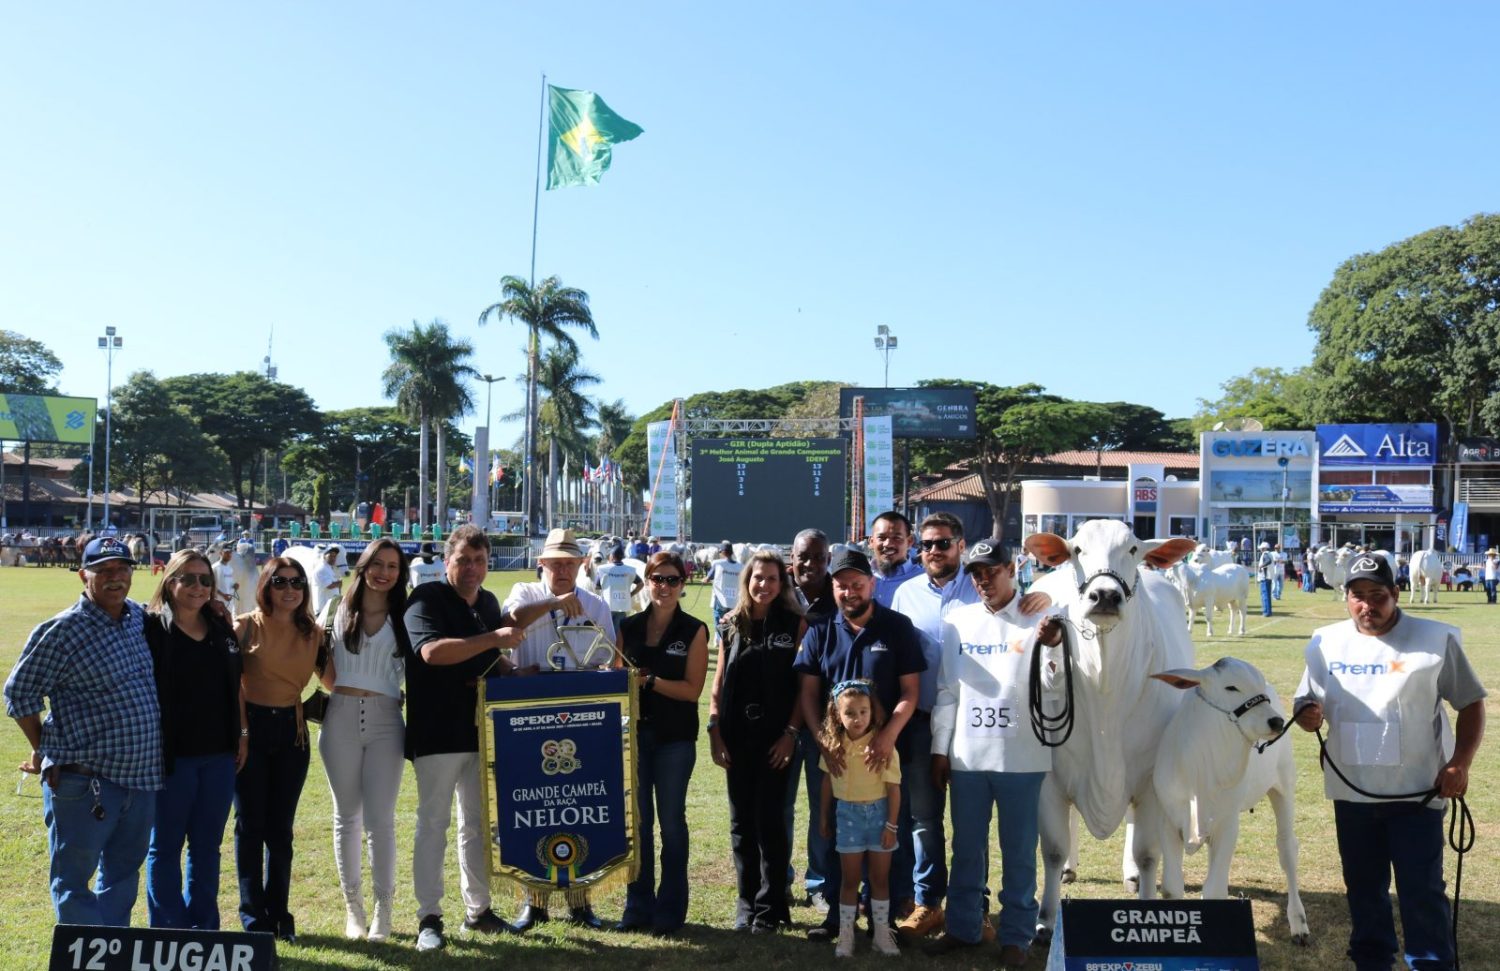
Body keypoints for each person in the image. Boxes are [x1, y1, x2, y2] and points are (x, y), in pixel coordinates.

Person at [1293, 553, 1485, 971]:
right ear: (1345, 598)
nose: (1367, 606)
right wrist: (1308, 714)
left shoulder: (1436, 639)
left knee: (1422, 891)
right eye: (1357, 596)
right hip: (1353, 795)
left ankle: (1431, 963)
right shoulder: (1325, 642)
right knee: (1363, 890)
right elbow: (1307, 701)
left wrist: (1460, 763)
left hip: (1417, 794)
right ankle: (1372, 962)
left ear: (1396, 594)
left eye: (1378, 595)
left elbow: (1471, 701)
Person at [5, 536, 163, 926]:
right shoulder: (62, 629)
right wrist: (44, 748)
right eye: (104, 571)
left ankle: (110, 955)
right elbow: (19, 693)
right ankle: (82, 957)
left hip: (140, 779)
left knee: (123, 877)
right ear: (83, 575)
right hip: (83, 782)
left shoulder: (138, 619)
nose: (115, 578)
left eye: (122, 569)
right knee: (74, 880)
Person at [925, 538, 1064, 969]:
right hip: (968, 756)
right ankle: (963, 927)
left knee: (1018, 850)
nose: (984, 580)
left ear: (1012, 568)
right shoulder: (957, 620)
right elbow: (948, 690)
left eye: (992, 570)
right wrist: (939, 750)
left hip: (1022, 757)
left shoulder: (1042, 614)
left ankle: (1016, 936)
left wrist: (1054, 646)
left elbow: (1056, 691)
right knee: (967, 847)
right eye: (976, 573)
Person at [404, 525, 527, 951]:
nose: (472, 568)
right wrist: (495, 639)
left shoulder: (489, 602)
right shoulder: (426, 599)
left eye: (479, 560)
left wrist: (516, 673)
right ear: (446, 560)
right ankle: (429, 919)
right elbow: (433, 653)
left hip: (481, 731)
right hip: (436, 731)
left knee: (476, 826)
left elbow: (493, 658)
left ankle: (478, 911)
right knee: (433, 825)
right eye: (463, 560)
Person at [795, 547, 925, 944]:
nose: (849, 592)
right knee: (834, 832)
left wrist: (888, 736)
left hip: (883, 755)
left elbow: (910, 691)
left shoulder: (898, 627)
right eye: (841, 585)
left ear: (871, 584)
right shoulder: (819, 631)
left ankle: (884, 921)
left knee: (890, 833)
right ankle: (838, 917)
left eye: (857, 584)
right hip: (835, 757)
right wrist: (823, 740)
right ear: (832, 588)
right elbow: (807, 695)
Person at [501, 527, 618, 930]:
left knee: (579, 812)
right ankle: (533, 902)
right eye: (556, 563)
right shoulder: (524, 592)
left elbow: (610, 660)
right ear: (542, 564)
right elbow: (509, 621)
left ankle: (580, 901)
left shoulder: (596, 605)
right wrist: (556, 602)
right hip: (528, 721)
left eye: (571, 562)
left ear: (581, 565)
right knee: (533, 810)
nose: (564, 569)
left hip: (581, 722)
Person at [888, 512, 981, 938]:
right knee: (924, 817)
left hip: (977, 723)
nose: (932, 551)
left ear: (960, 545)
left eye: (942, 543)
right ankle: (928, 902)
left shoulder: (982, 587)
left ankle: (973, 904)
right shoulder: (905, 594)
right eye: (925, 545)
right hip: (922, 721)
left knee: (972, 818)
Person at [144, 550, 247, 929]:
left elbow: (235, 683)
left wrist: (242, 733)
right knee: (166, 847)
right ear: (169, 582)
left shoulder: (220, 626)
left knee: (207, 848)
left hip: (219, 755)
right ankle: (169, 929)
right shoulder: (150, 628)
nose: (198, 587)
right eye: (188, 578)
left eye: (205, 580)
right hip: (170, 757)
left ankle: (204, 928)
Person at [708, 551, 807, 932]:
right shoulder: (731, 623)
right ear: (746, 580)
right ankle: (746, 904)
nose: (763, 585)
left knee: (771, 823)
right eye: (757, 578)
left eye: (771, 578)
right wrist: (715, 730)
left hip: (776, 738)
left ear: (782, 584)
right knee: (741, 824)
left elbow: (803, 687)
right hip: (736, 736)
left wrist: (790, 734)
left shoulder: (795, 624)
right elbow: (718, 683)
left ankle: (772, 907)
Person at [319, 539, 411, 942]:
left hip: (387, 721)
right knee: (346, 818)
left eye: (392, 566)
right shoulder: (336, 608)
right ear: (363, 565)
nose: (384, 573)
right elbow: (322, 666)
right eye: (378, 564)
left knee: (380, 822)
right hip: (338, 718)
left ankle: (383, 911)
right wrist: (343, 694)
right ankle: (353, 909)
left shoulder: (407, 615)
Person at [616, 551, 709, 936]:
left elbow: (692, 691)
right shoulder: (629, 626)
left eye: (672, 580)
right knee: (637, 826)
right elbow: (618, 678)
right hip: (634, 737)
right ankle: (637, 908)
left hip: (674, 740)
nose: (664, 587)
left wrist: (649, 681)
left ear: (683, 585)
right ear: (647, 582)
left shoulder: (695, 629)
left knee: (671, 825)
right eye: (657, 579)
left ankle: (670, 912)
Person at [233, 556, 322, 940]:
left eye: (297, 582)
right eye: (280, 582)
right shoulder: (243, 627)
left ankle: (280, 913)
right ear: (266, 586)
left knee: (280, 830)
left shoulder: (313, 632)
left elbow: (335, 678)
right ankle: (254, 918)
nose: (289, 590)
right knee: (250, 826)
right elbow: (231, 682)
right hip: (250, 728)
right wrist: (241, 732)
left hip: (292, 731)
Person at [818, 679, 901, 958]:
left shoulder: (882, 745)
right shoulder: (833, 746)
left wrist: (891, 825)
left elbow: (894, 790)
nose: (858, 718)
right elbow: (827, 783)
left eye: (864, 711)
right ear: (837, 715)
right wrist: (823, 816)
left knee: (879, 878)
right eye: (850, 713)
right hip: (847, 816)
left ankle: (881, 934)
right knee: (849, 880)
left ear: (872, 711)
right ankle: (846, 935)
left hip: (879, 817)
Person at [785, 527, 836, 911]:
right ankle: (779, 879)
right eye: (804, 556)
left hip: (826, 725)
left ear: (828, 560)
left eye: (818, 557)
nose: (810, 564)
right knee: (780, 806)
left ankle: (819, 882)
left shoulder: (841, 595)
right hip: (781, 724)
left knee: (823, 808)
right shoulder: (772, 590)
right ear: (792, 558)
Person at [870, 511, 922, 608]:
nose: (888, 544)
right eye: (881, 538)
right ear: (872, 542)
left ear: (910, 541)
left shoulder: (925, 580)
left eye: (896, 538)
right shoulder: (861, 577)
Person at [598, 544, 644, 632]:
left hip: (607, 605)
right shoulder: (630, 570)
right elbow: (641, 584)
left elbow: (597, 586)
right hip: (623, 606)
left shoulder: (602, 569)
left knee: (606, 632)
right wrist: (630, 594)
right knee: (619, 632)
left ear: (612, 556)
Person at [311, 545, 344, 618]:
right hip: (323, 609)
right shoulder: (321, 569)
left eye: (335, 556)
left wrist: (338, 584)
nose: (333, 558)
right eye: (331, 556)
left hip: (331, 609)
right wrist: (339, 583)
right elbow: (329, 585)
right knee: (324, 629)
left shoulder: (330, 569)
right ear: (324, 556)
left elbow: (337, 586)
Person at [212, 545, 242, 616]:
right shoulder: (215, 567)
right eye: (226, 552)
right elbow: (211, 585)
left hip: (229, 601)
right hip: (219, 601)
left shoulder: (229, 568)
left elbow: (230, 582)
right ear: (221, 553)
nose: (229, 554)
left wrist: (235, 585)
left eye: (230, 553)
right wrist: (223, 595)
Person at [1256, 542, 1277, 617]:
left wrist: (1261, 566)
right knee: (1267, 595)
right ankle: (1269, 611)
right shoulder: (1270, 554)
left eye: (1261, 548)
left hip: (1265, 577)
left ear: (1264, 548)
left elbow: (1268, 561)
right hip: (1268, 577)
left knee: (1264, 595)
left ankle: (1266, 612)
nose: (1260, 550)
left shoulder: (1265, 554)